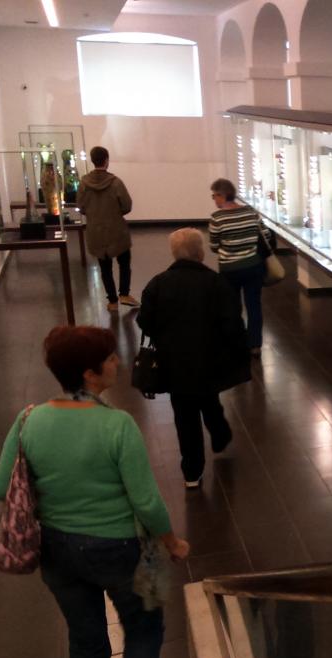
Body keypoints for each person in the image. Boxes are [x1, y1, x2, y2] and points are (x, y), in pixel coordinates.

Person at [0, 325, 190, 658]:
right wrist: (172, 542)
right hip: (117, 550)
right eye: (110, 358)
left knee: (86, 639)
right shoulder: (118, 425)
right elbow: (147, 503)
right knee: (144, 627)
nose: (118, 362)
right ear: (89, 373)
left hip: (56, 552)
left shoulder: (28, 420)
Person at [137, 228, 251, 489]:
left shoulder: (158, 284)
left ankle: (192, 471)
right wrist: (240, 352)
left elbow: (145, 322)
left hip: (173, 363)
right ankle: (220, 434)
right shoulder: (216, 283)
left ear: (174, 253)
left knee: (184, 415)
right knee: (209, 398)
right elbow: (232, 323)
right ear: (200, 252)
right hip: (210, 358)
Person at [208, 178, 268, 355]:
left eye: (214, 196)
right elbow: (265, 234)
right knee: (254, 305)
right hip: (253, 265)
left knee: (232, 306)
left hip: (229, 269)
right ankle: (255, 345)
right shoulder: (251, 212)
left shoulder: (217, 218)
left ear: (222, 195)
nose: (214, 199)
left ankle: (237, 341)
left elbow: (213, 246)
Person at [81, 146, 136, 311]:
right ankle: (124, 294)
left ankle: (112, 301)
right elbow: (127, 205)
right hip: (117, 231)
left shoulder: (84, 184)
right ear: (106, 160)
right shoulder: (116, 182)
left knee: (105, 268)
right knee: (124, 263)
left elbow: (81, 207)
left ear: (92, 160)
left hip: (96, 232)